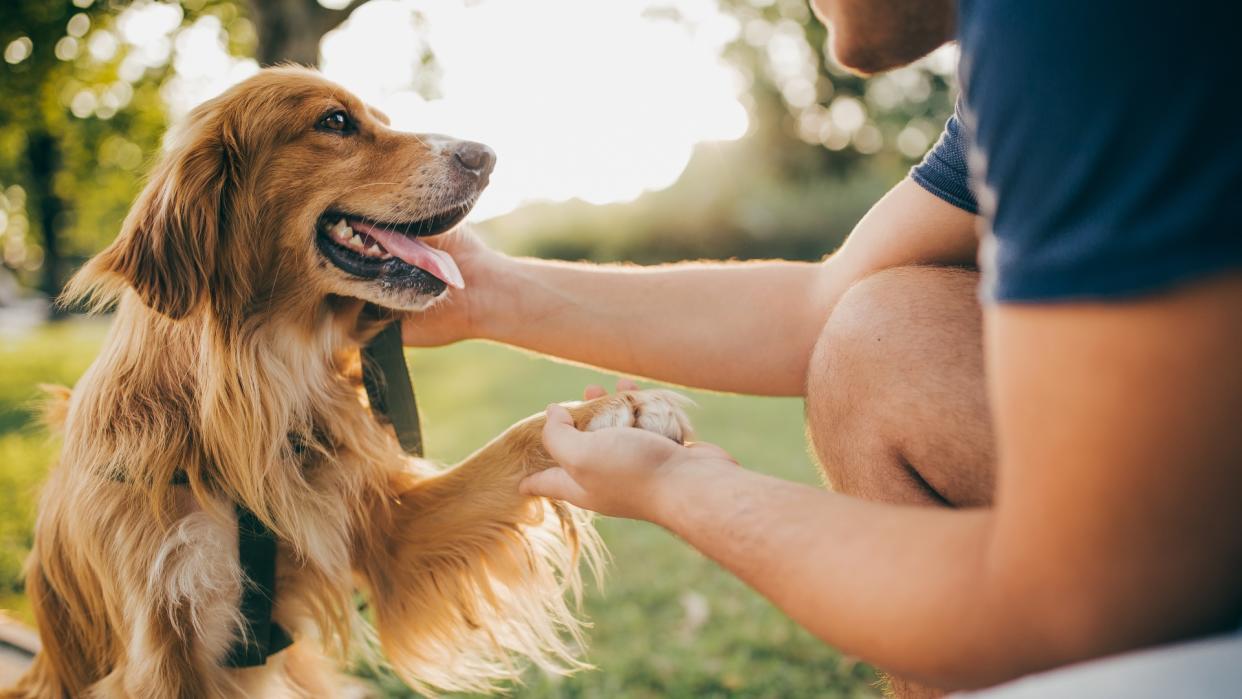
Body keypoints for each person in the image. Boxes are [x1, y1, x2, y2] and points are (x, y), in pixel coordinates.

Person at [404, 0, 1242, 695]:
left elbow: (1077, 594)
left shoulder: (1083, 24)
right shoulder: (1024, 50)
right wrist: (491, 292)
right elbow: (822, 303)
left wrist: (681, 486)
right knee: (885, 332)